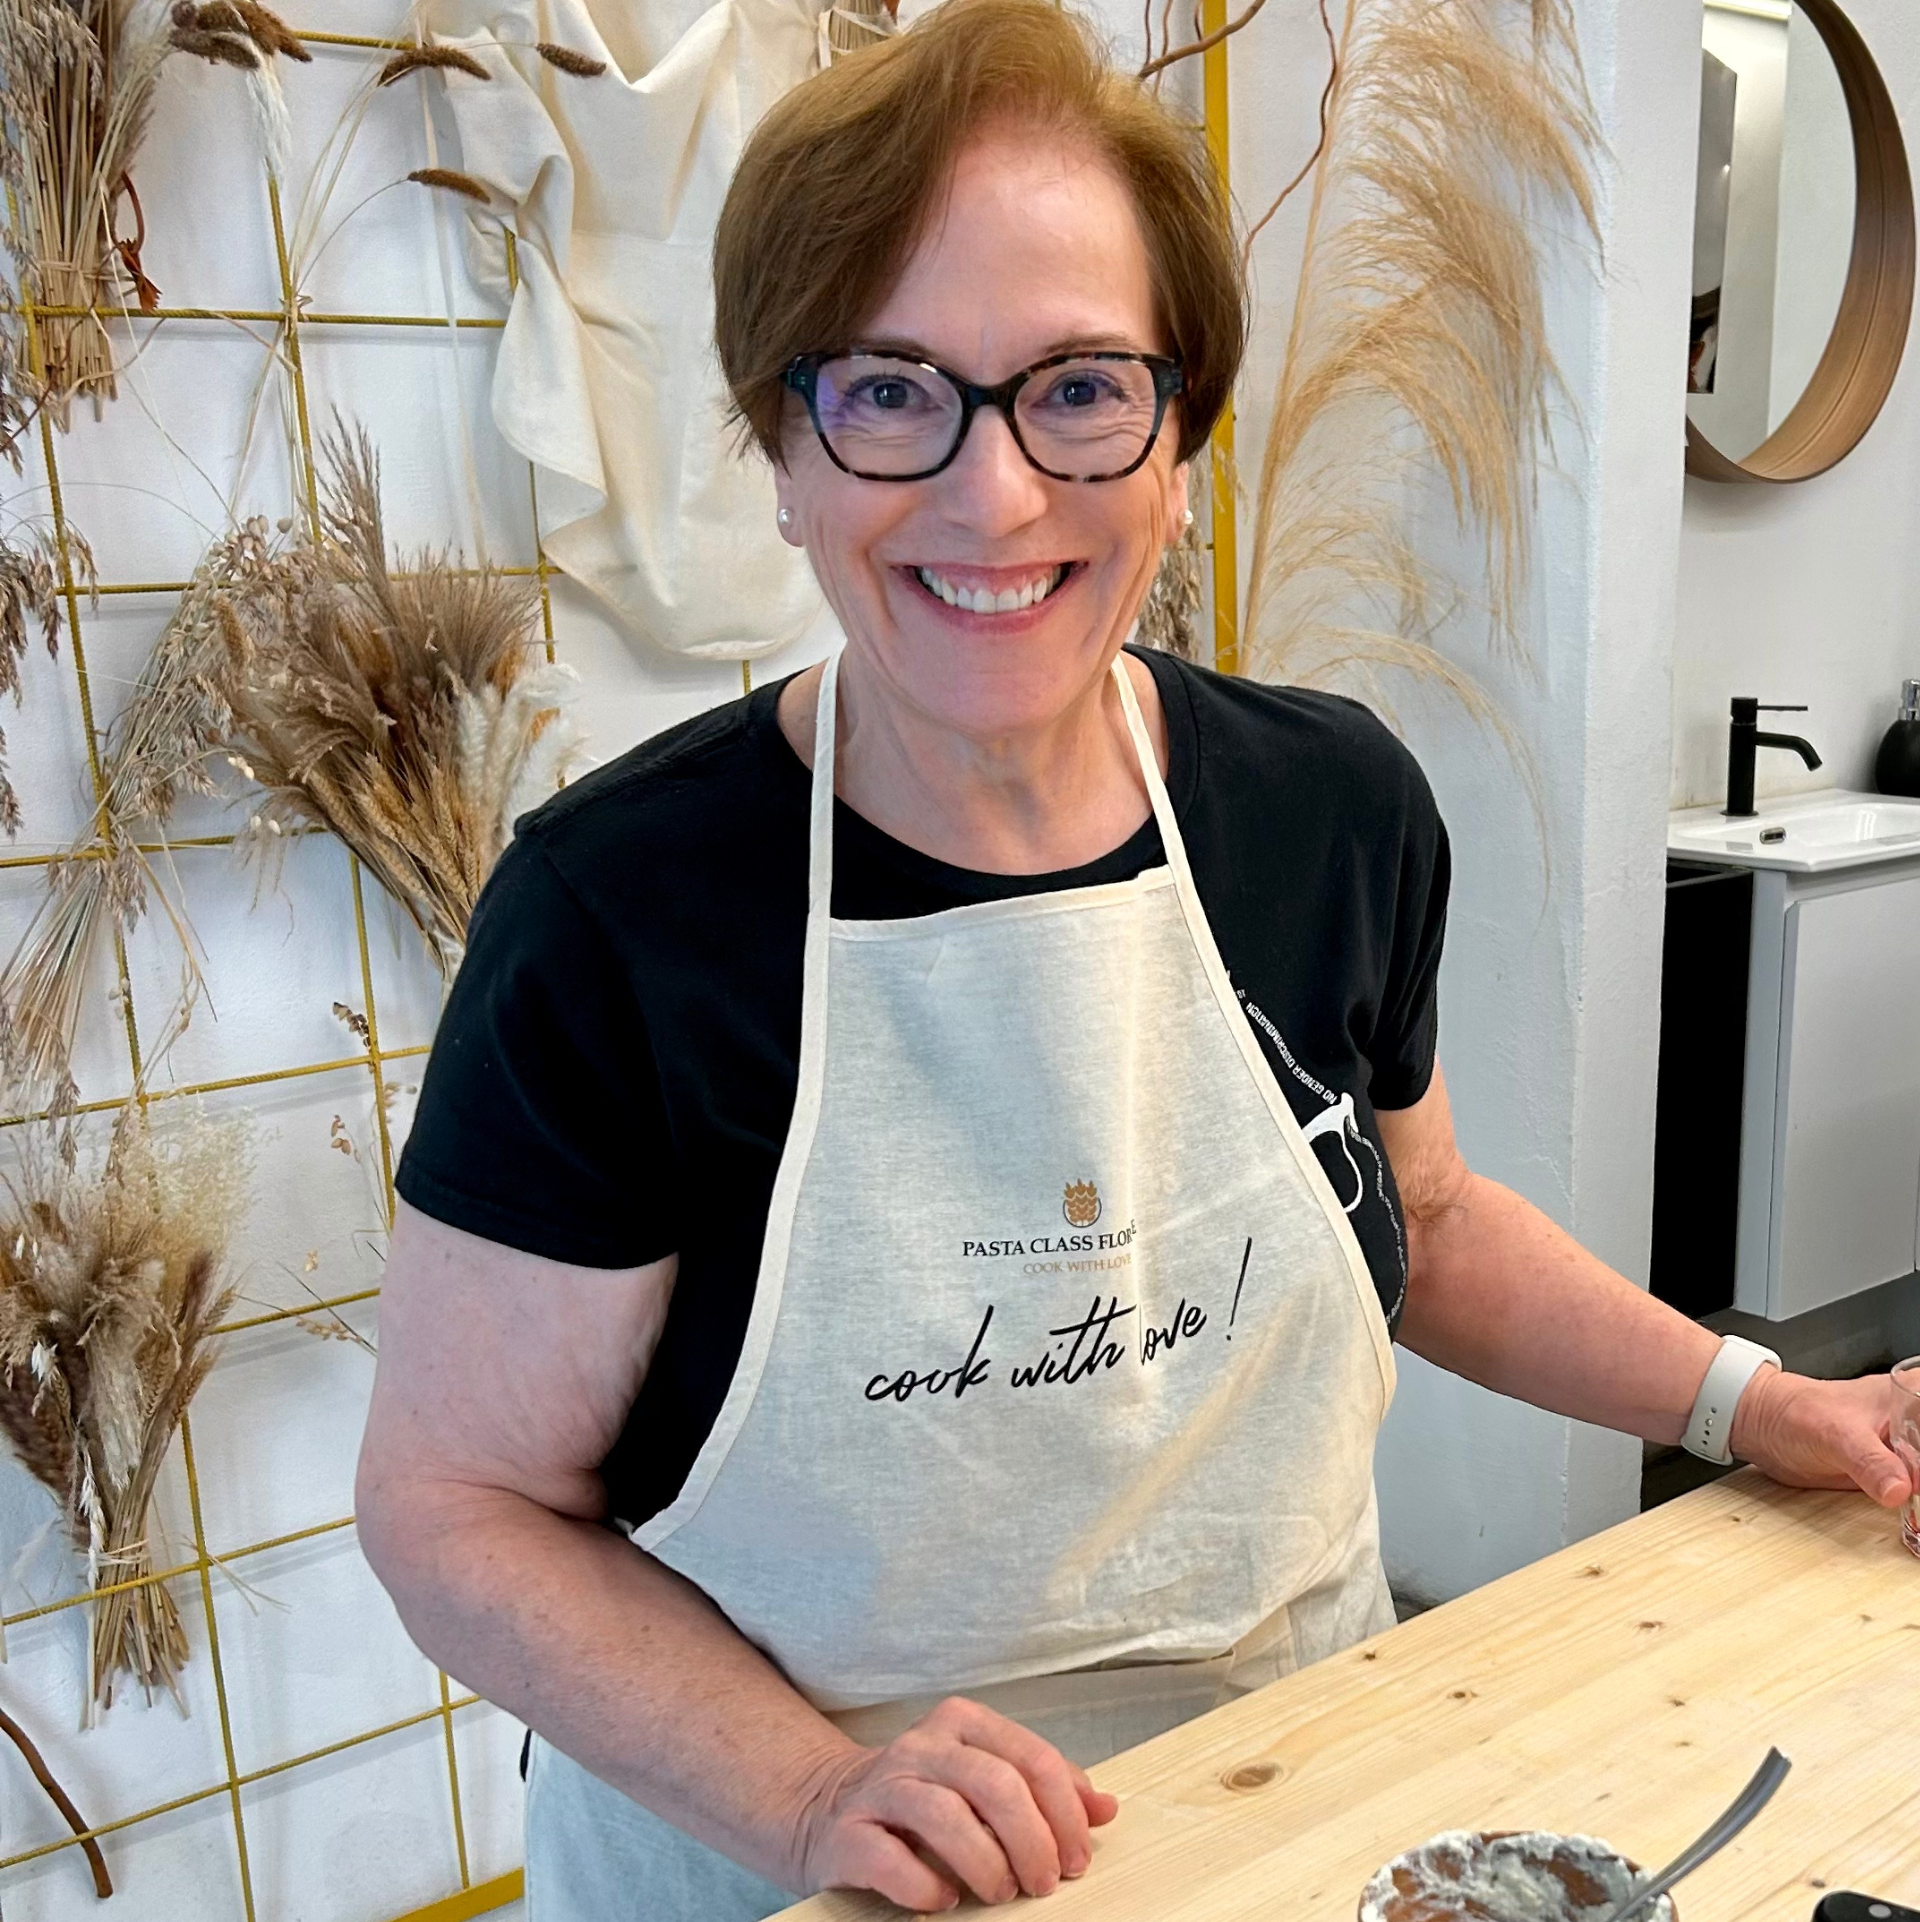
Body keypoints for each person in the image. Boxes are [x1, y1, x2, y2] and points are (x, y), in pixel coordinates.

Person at [355, 3, 1915, 1916]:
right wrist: (816, 1795)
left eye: (1083, 388)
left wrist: (1760, 1402)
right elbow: (453, 1505)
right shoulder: (616, 919)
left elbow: (1422, 1220)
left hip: (1290, 1804)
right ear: (782, 445)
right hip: (798, 1872)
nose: (995, 494)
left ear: (1180, 438)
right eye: (890, 390)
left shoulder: (1328, 810)